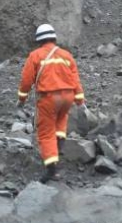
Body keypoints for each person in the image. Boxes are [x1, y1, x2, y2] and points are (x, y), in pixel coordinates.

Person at [17, 24, 85, 183]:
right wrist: (80, 100)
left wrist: (21, 98)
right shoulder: (66, 55)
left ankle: (51, 170)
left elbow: (26, 80)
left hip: (48, 98)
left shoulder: (35, 55)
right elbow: (75, 79)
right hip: (67, 97)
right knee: (60, 123)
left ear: (38, 40)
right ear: (54, 38)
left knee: (46, 133)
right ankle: (58, 149)